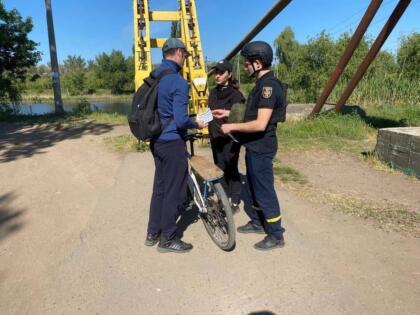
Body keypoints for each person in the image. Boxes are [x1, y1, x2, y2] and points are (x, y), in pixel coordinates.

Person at [212, 41, 285, 251]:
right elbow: (250, 113)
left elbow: (261, 123)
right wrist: (226, 113)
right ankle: (257, 222)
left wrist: (230, 126)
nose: (245, 67)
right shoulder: (260, 85)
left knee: (264, 189)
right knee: (253, 186)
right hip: (253, 146)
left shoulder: (269, 87)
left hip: (262, 147)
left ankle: (276, 233)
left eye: (247, 63)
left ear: (258, 62)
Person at [146, 38, 206, 253]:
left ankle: (153, 233)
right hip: (172, 142)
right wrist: (196, 123)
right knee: (174, 191)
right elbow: (181, 120)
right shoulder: (178, 81)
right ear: (179, 53)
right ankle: (168, 239)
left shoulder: (154, 76)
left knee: (160, 188)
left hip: (157, 140)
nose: (185, 59)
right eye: (184, 55)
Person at [208, 59, 245, 212]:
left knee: (231, 168)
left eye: (221, 73)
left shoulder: (236, 95)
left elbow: (241, 118)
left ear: (229, 75)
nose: (217, 76)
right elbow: (210, 113)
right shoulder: (213, 92)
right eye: (216, 72)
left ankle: (235, 201)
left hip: (230, 139)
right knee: (219, 168)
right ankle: (222, 199)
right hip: (215, 137)